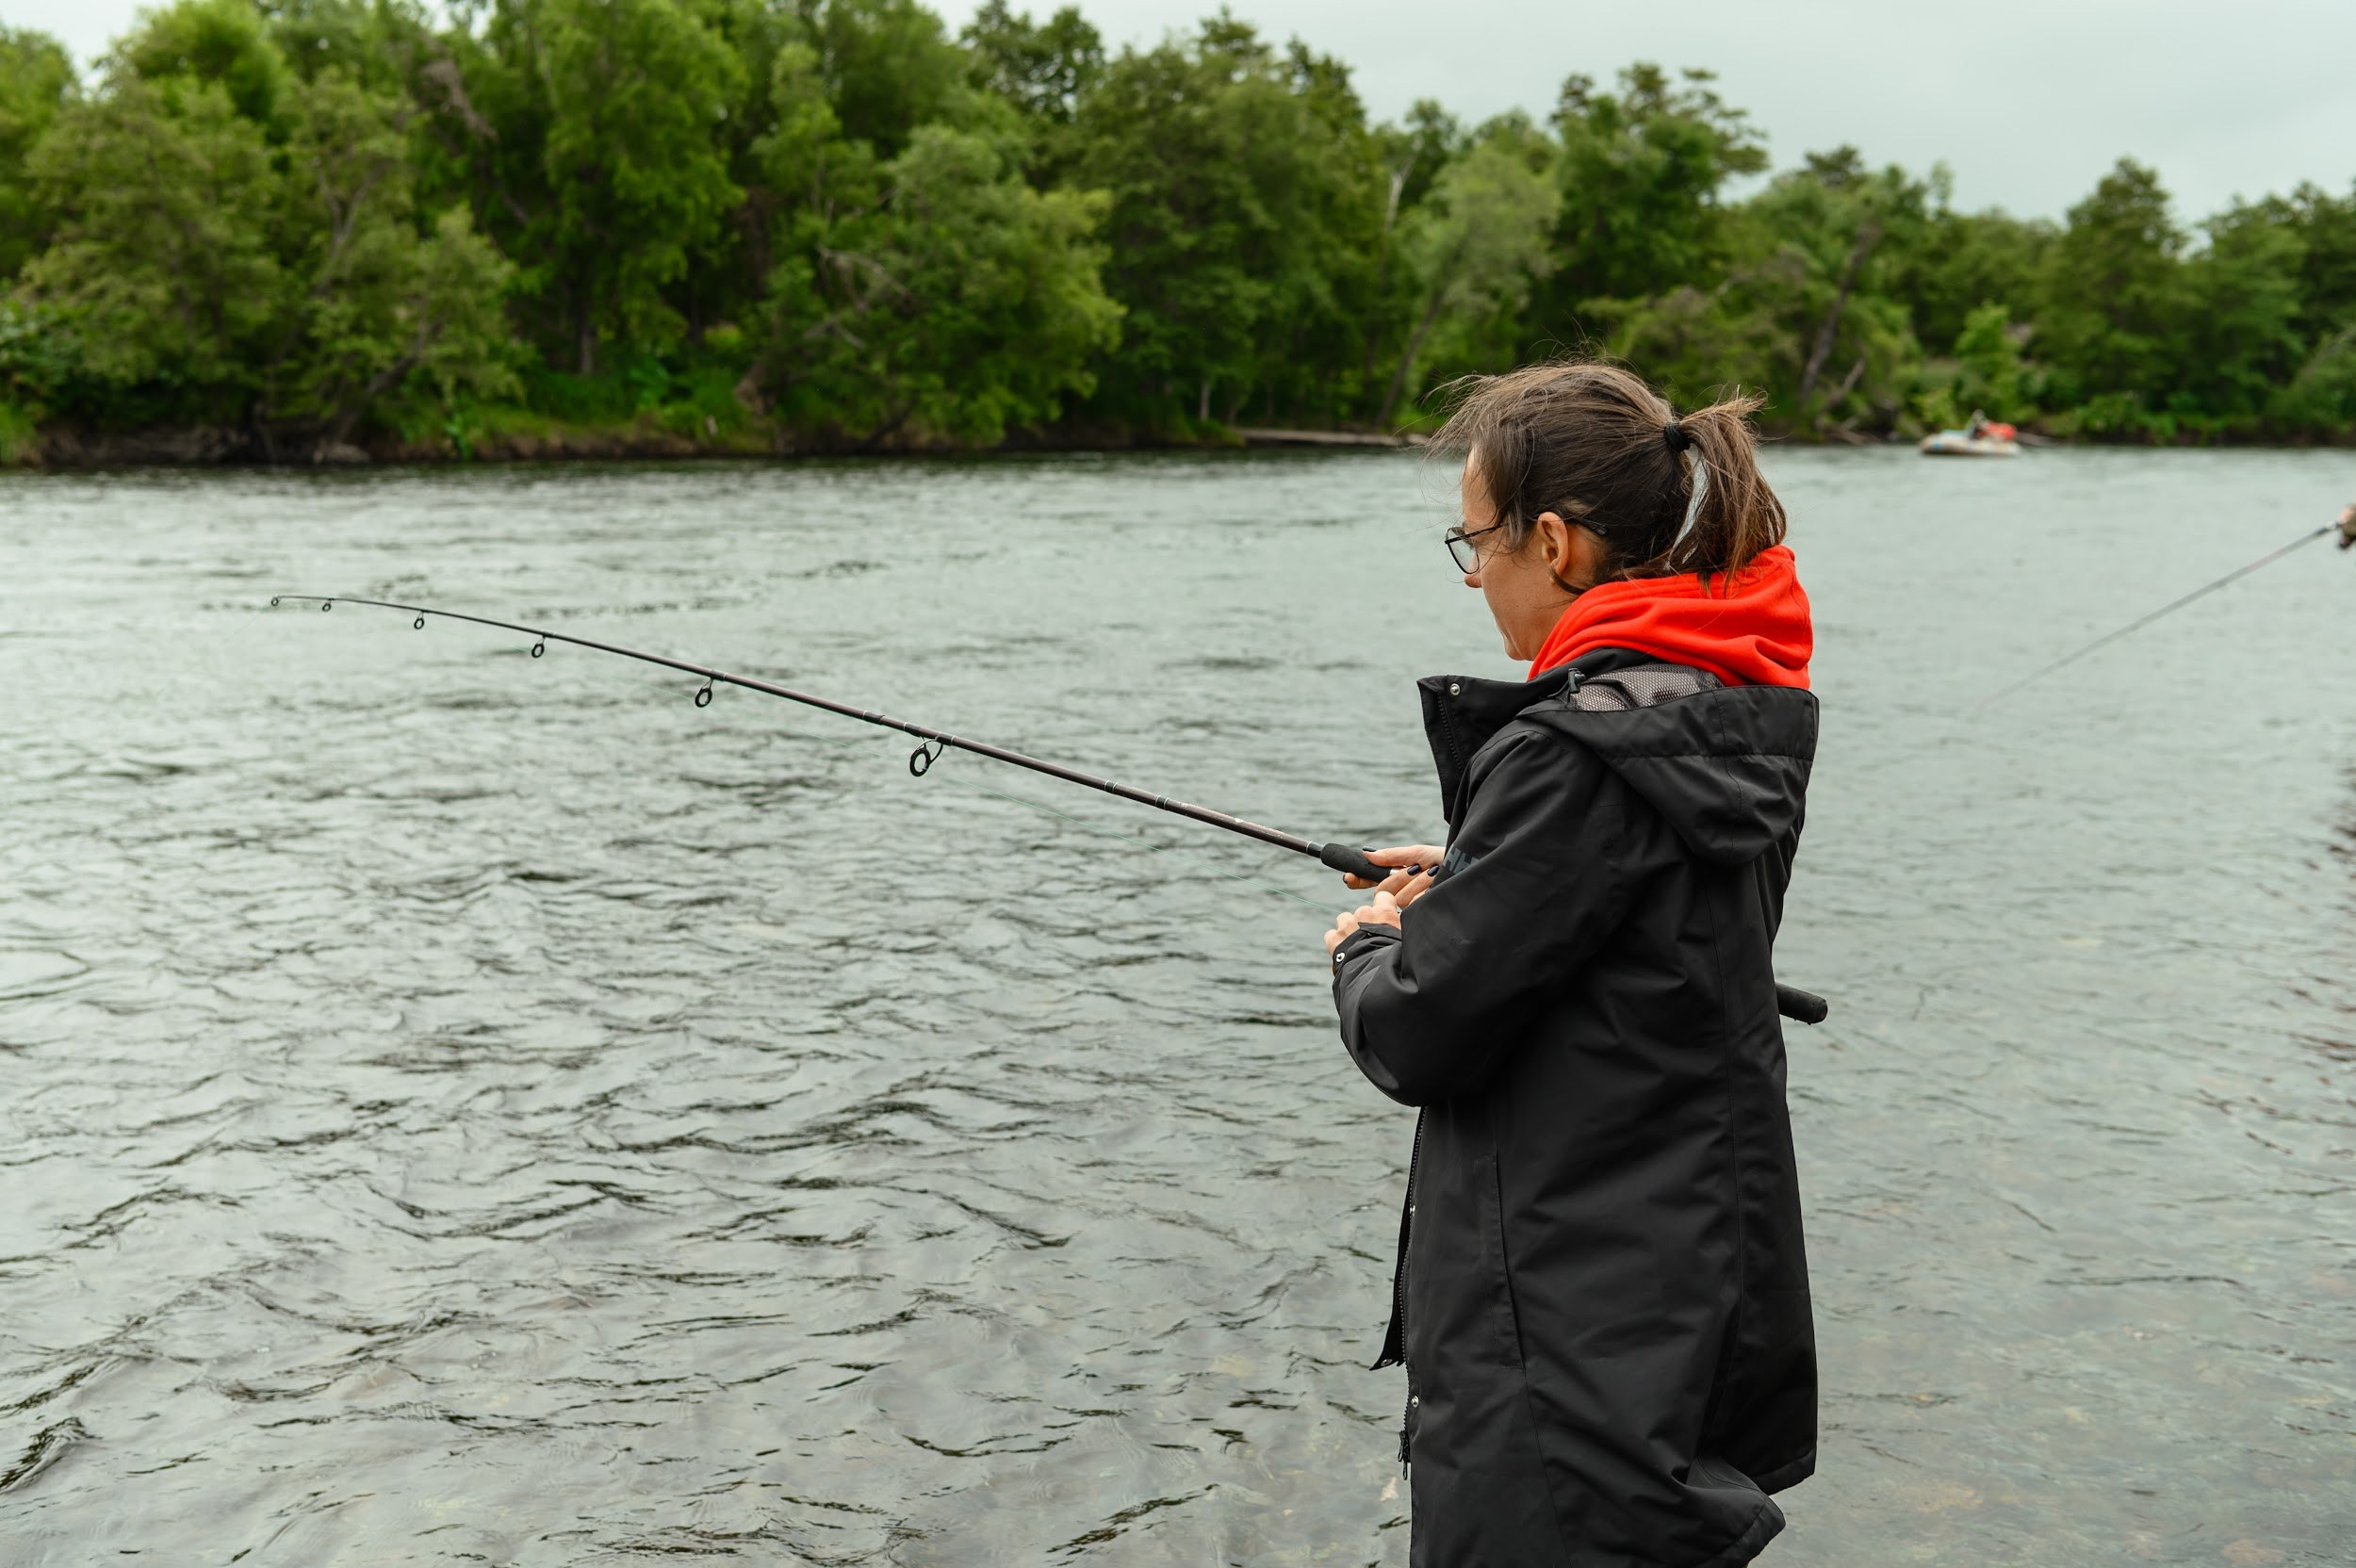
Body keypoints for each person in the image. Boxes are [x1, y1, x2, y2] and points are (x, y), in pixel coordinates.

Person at [1323, 361, 1819, 1566]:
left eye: (1472, 537)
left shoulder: (1571, 757)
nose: (1470, 570)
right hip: (1674, 1285)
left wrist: (1370, 945)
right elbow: (1630, 912)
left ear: (1553, 542)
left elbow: (1420, 1026)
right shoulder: (1712, 699)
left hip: (1559, 1328)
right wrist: (1475, 865)